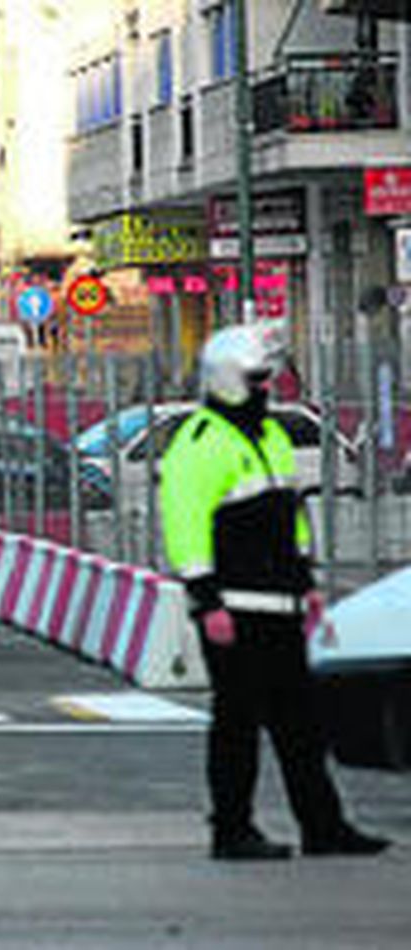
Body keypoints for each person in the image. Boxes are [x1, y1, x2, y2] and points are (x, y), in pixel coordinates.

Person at [160, 325, 390, 861]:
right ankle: (232, 831)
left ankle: (324, 828)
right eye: (258, 379)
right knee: (236, 725)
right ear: (229, 380)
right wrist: (206, 599)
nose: (268, 388)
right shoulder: (199, 442)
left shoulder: (272, 436)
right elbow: (185, 526)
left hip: (281, 606)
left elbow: (292, 519)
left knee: (302, 727)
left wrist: (306, 584)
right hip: (233, 610)